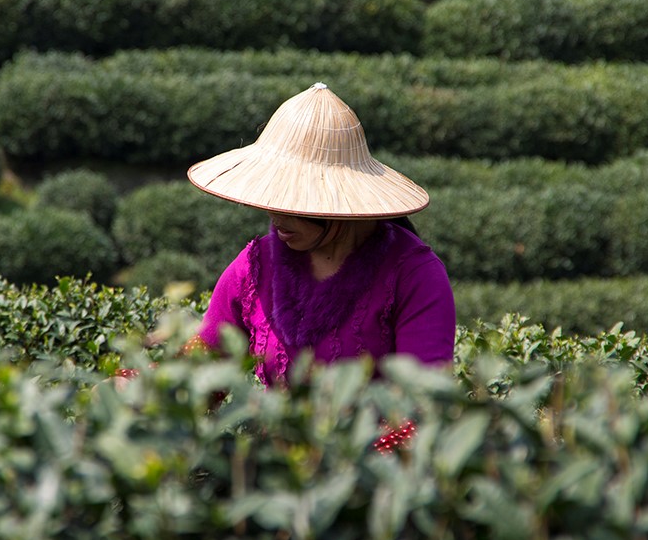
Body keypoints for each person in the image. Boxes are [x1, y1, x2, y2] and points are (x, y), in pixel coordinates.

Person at [186, 82, 456, 390]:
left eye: (295, 203)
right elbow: (199, 373)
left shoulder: (414, 275)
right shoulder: (255, 265)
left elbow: (426, 402)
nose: (276, 216)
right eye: (272, 199)